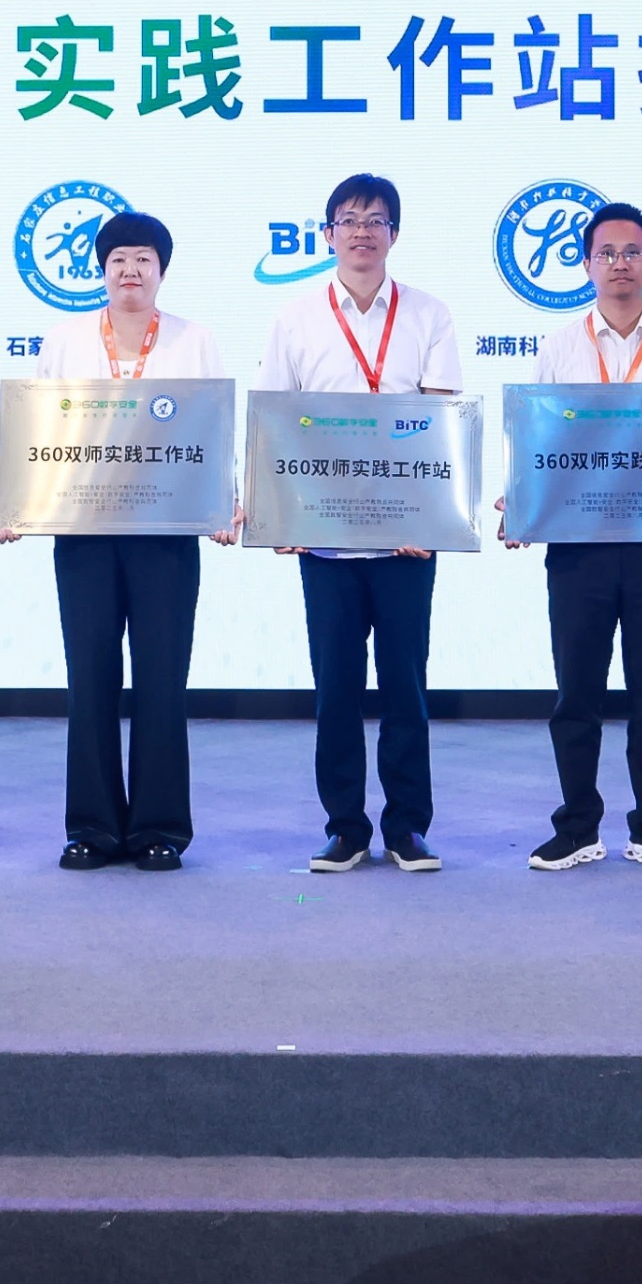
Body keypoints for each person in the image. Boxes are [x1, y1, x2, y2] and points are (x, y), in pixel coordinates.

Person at [0, 210, 227, 872]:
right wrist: (15, 503)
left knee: (162, 679)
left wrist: (223, 501)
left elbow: (212, 429)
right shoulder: (65, 339)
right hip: (84, 534)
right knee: (89, 677)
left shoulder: (193, 340)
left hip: (165, 536)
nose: (130, 270)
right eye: (119, 259)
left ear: (161, 271)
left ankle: (160, 827)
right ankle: (92, 828)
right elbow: (37, 432)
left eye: (143, 259)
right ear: (100, 269)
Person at [254, 173, 462, 873]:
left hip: (406, 538)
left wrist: (431, 521)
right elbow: (275, 423)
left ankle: (407, 827)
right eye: (348, 219)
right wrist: (278, 514)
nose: (362, 231)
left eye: (376, 220)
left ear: (394, 234)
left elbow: (440, 422)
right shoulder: (295, 319)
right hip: (325, 538)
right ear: (327, 234)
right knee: (335, 686)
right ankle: (345, 826)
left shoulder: (429, 314)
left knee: (406, 686)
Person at [510, 202, 642, 874]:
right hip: (579, 548)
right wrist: (522, 502)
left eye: (632, 252)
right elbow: (537, 441)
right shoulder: (558, 347)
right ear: (586, 264)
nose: (619, 263)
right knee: (576, 693)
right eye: (606, 252)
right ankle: (576, 826)